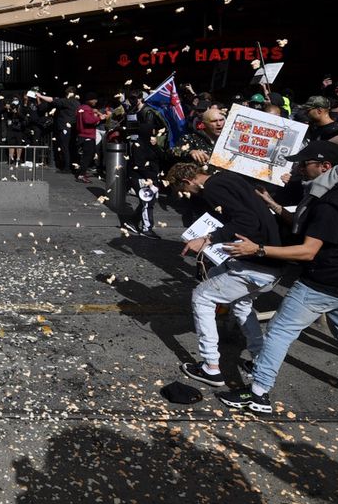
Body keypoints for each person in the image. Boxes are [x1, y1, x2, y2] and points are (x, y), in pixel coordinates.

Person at [217, 140, 338, 416]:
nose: (299, 168)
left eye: (305, 164)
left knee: (279, 331)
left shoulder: (330, 204)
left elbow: (307, 250)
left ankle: (257, 394)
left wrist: (257, 249)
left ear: (325, 166)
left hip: (323, 284)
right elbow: (314, 230)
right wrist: (275, 206)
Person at [166, 162, 283, 387]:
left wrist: (208, 238)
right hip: (266, 259)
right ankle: (260, 358)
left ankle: (211, 367)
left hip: (258, 263)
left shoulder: (212, 188)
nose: (185, 194)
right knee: (240, 303)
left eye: (183, 189)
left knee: (202, 297)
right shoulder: (226, 178)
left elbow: (247, 220)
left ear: (187, 181)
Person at [121, 90, 164, 238]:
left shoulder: (152, 142)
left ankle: (132, 221)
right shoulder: (138, 143)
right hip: (142, 171)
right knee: (147, 198)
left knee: (150, 198)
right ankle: (146, 228)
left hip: (149, 169)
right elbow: (138, 161)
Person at [73, 94, 102, 182]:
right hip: (87, 135)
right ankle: (81, 175)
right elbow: (88, 120)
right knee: (88, 156)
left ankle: (82, 172)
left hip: (82, 135)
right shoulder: (87, 109)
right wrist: (99, 118)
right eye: (94, 99)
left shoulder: (80, 108)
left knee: (86, 156)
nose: (95, 101)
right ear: (89, 100)